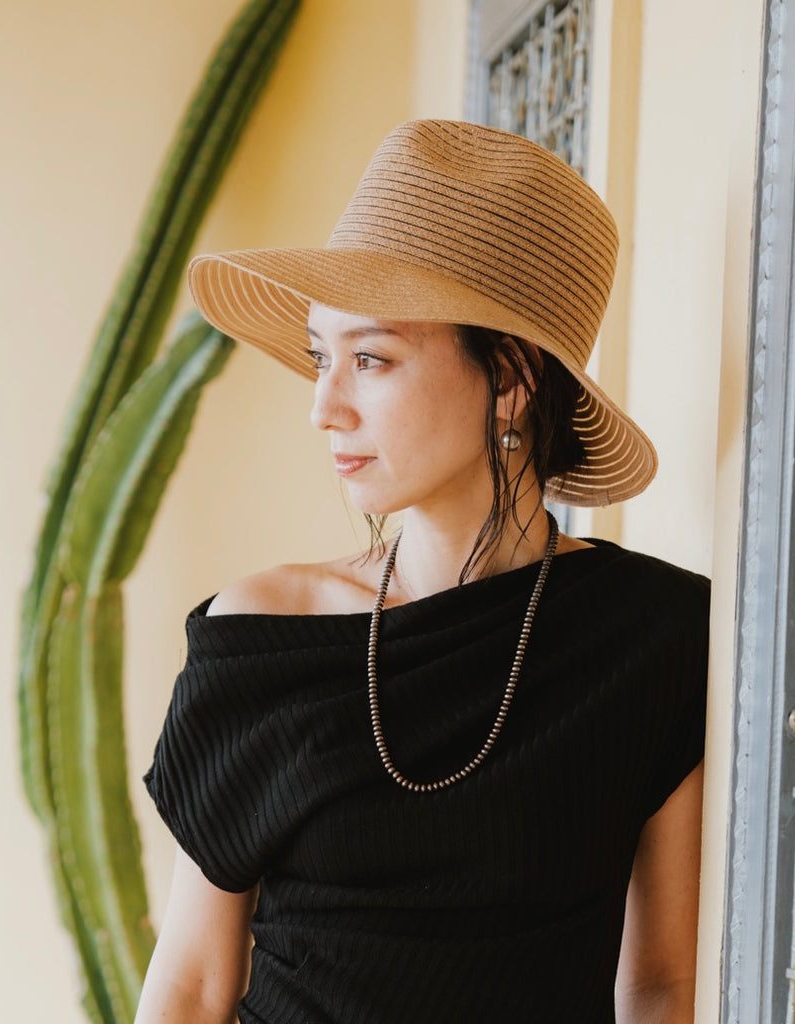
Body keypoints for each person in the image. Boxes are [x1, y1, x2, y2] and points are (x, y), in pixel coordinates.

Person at [135, 119, 708, 1024]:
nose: (325, 408)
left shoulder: (655, 639)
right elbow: (193, 982)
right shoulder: (260, 639)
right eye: (322, 359)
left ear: (511, 376)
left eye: (370, 359)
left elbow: (658, 982)